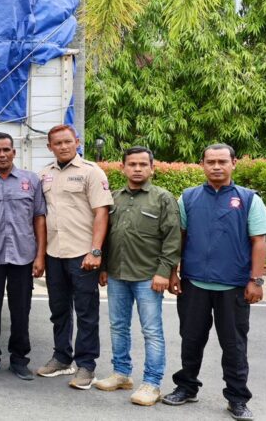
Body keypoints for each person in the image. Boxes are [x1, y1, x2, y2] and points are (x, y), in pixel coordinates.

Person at [162, 144, 266, 421]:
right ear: (202, 164)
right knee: (191, 339)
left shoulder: (248, 199)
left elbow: (259, 241)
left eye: (222, 161)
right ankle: (186, 387)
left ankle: (237, 398)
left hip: (233, 286)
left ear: (234, 163)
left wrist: (255, 280)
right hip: (194, 283)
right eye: (210, 161)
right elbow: (180, 238)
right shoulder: (188, 197)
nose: (216, 166)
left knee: (234, 345)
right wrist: (174, 272)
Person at [93, 146, 181, 406]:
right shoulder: (114, 198)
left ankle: (152, 384)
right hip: (118, 275)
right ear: (123, 168)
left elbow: (172, 240)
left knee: (151, 331)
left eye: (143, 164)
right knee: (118, 326)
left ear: (152, 168)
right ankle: (121, 373)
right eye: (132, 164)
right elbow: (107, 236)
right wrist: (104, 267)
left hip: (148, 277)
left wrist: (164, 272)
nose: (138, 168)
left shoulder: (163, 198)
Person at [36, 124, 113, 389]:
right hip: (54, 253)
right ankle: (61, 357)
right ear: (50, 147)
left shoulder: (91, 172)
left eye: (68, 142)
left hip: (82, 254)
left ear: (77, 141)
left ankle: (86, 366)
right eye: (57, 143)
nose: (63, 146)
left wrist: (95, 251)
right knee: (58, 310)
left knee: (86, 312)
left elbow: (102, 213)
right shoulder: (44, 174)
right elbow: (41, 218)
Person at [0, 132, 46, 381]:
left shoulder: (31, 180)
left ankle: (19, 360)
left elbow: (39, 219)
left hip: (23, 257)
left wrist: (40, 256)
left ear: (14, 152)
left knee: (20, 310)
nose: (2, 154)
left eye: (6, 150)